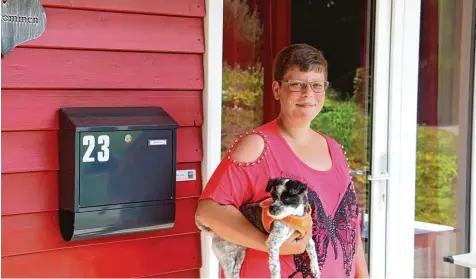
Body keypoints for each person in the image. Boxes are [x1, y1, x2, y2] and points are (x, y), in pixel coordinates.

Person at [195, 43, 370, 278]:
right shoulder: (258, 146)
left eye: (317, 85)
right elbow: (208, 212)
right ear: (277, 90)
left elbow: (350, 224)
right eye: (297, 84)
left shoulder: (334, 149)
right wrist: (273, 244)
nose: (308, 94)